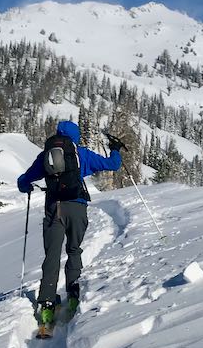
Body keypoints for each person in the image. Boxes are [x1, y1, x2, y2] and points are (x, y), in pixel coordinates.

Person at [17, 120, 123, 325]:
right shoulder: (81, 154)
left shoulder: (45, 156)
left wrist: (25, 186)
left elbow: (24, 180)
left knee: (52, 254)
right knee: (74, 250)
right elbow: (113, 165)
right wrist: (115, 149)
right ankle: (73, 295)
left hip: (53, 208)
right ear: (75, 136)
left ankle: (47, 303)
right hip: (77, 207)